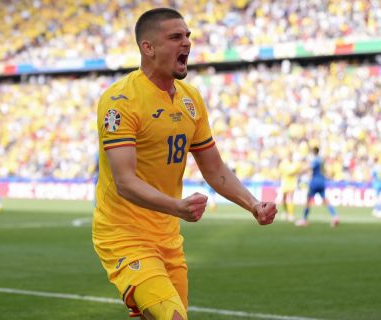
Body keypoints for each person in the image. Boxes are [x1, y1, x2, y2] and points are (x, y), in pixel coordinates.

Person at [92, 8, 277, 320]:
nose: (187, 43)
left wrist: (253, 204)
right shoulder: (121, 101)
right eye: (175, 37)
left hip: (168, 238)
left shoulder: (191, 99)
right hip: (124, 235)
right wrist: (177, 206)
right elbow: (124, 182)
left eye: (188, 36)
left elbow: (215, 169)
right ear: (147, 48)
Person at [296, 146, 339, 227]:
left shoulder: (315, 160)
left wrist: (300, 172)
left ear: (313, 152)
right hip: (322, 181)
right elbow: (324, 171)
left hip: (315, 182)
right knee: (325, 200)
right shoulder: (322, 160)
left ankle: (304, 219)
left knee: (308, 200)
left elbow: (309, 167)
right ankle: (335, 216)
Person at [278, 151, 301, 222]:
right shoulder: (283, 164)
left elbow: (294, 172)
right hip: (284, 182)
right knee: (284, 198)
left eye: (290, 156)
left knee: (290, 197)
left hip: (292, 182)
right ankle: (286, 212)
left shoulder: (295, 164)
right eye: (288, 156)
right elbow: (282, 172)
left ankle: (291, 214)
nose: (290, 157)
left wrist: (290, 173)